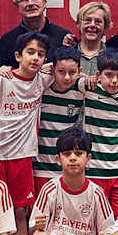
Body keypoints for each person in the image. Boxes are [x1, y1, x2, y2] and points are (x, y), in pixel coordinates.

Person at [0, 32, 55, 235]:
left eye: (40, 54)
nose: (35, 58)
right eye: (30, 52)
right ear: (17, 56)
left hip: (23, 156)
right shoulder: (1, 79)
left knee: (20, 213)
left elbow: (64, 69)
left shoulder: (44, 78)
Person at [82, 49, 118, 214]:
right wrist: (86, 77)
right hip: (94, 170)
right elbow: (59, 74)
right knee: (94, 223)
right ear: (98, 75)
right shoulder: (88, 88)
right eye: (109, 75)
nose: (114, 81)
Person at [34, 47, 85, 192]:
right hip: (40, 166)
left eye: (72, 72)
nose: (67, 77)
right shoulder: (40, 88)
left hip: (66, 167)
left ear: (79, 71)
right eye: (61, 71)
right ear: (52, 69)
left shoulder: (81, 91)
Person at [0, 0, 72, 64]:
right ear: (17, 6)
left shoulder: (63, 37)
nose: (30, 3)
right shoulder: (7, 40)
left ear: (45, 2)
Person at [71, 1, 111, 76]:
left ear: (105, 26)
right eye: (88, 20)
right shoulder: (68, 55)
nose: (92, 25)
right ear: (79, 25)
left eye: (98, 22)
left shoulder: (113, 58)